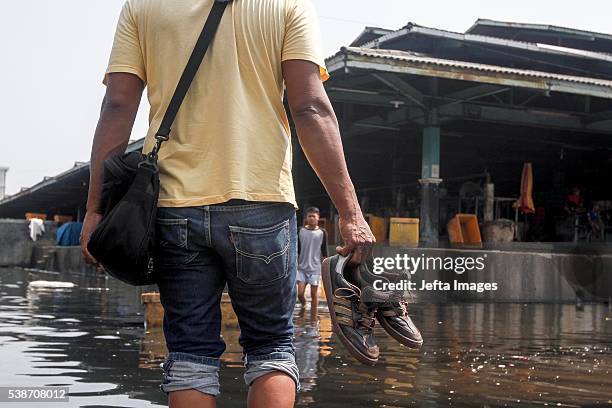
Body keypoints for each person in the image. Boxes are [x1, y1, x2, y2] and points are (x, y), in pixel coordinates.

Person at [79, 1, 375, 407]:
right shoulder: (287, 5)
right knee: (271, 347)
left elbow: (118, 106)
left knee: (189, 355)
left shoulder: (143, 6)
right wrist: (351, 212)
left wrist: (96, 209)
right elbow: (309, 107)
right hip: (262, 204)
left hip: (173, 206)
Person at [296, 207, 328, 316]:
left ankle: (313, 321)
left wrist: (325, 270)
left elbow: (324, 252)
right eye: (309, 216)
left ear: (318, 218)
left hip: (315, 269)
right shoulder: (300, 230)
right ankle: (304, 306)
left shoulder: (322, 232)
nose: (311, 218)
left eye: (314, 216)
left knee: (314, 295)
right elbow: (297, 249)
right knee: (300, 293)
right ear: (306, 218)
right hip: (301, 268)